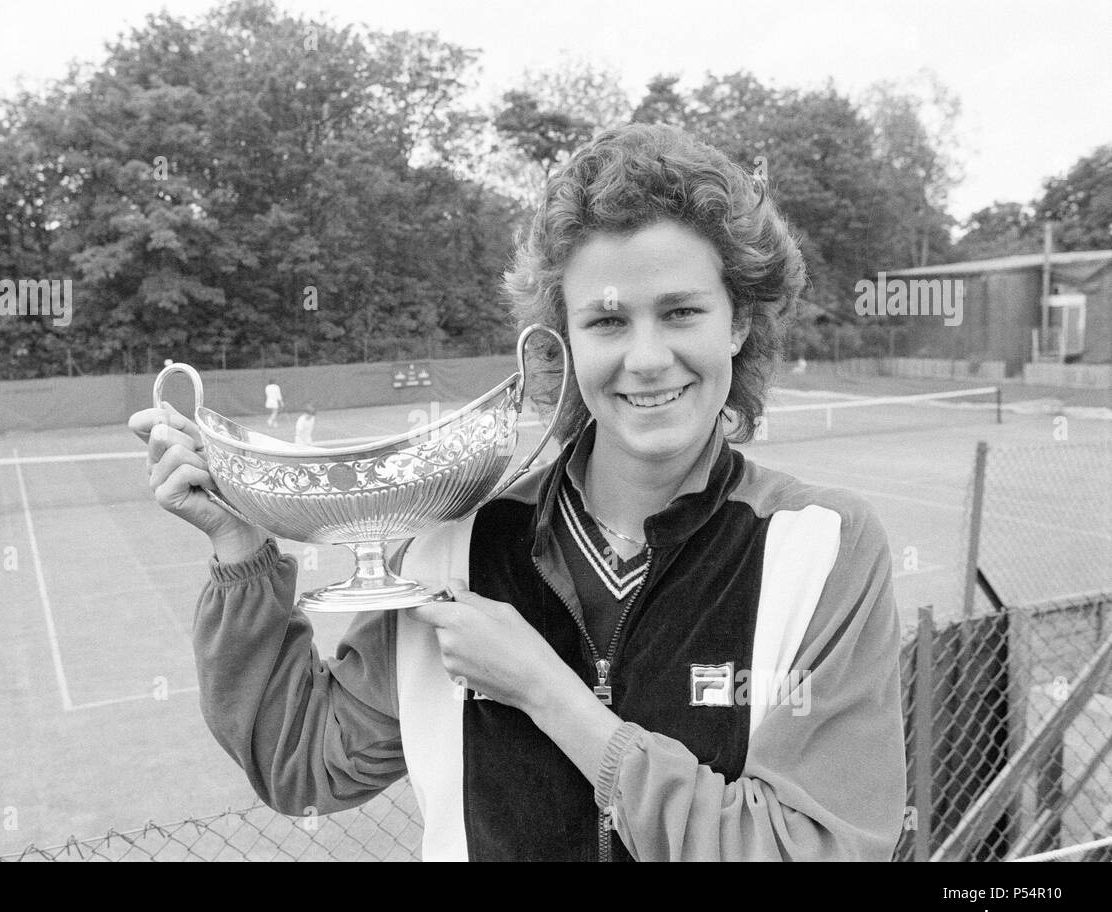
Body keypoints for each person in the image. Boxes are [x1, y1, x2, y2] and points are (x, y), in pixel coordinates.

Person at [130, 124, 907, 861]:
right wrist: (241, 547)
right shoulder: (453, 549)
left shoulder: (822, 549)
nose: (646, 357)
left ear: (737, 321)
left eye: (681, 312)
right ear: (561, 343)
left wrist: (547, 692)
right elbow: (303, 763)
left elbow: (815, 849)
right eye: (607, 321)